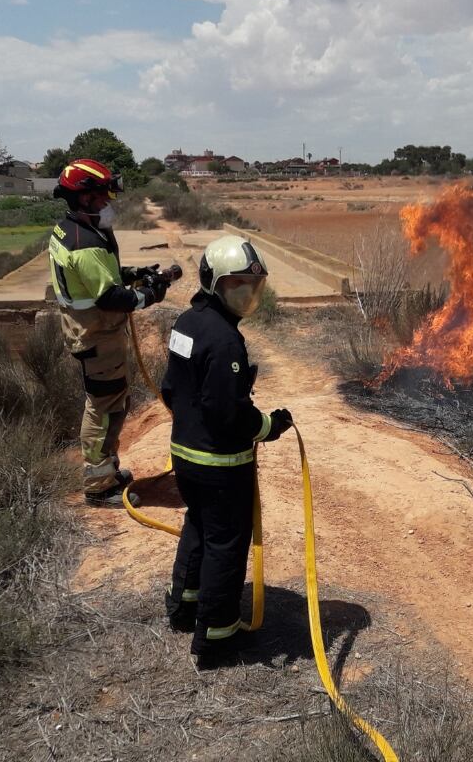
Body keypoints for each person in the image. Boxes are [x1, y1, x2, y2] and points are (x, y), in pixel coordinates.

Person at [160, 235, 292, 669]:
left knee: (198, 527)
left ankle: (183, 607)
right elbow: (230, 414)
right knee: (226, 545)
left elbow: (171, 388)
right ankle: (217, 638)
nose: (246, 294)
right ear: (213, 282)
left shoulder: (186, 323)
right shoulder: (225, 341)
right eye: (236, 284)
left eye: (252, 286)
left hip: (185, 455)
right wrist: (271, 426)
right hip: (220, 465)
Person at [48, 158, 171, 507]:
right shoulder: (85, 242)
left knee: (114, 402)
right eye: (103, 196)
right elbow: (110, 297)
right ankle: (99, 487)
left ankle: (108, 470)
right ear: (84, 197)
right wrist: (150, 294)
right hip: (96, 334)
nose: (108, 203)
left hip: (91, 331)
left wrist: (133, 272)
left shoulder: (72, 230)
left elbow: (99, 275)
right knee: (103, 409)